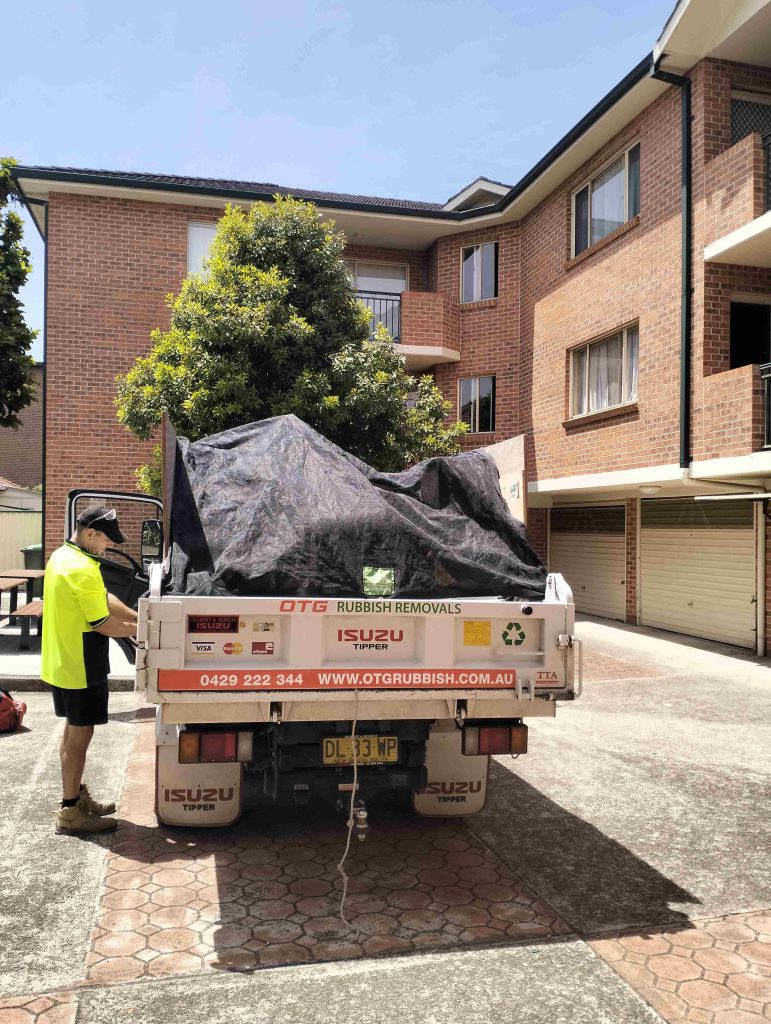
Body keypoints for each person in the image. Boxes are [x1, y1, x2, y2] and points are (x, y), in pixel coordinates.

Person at [41, 506, 138, 835]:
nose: (108, 546)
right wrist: (145, 632)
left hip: (63, 659)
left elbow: (103, 597)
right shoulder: (81, 567)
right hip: (81, 664)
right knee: (80, 737)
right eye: (106, 540)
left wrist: (140, 618)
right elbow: (103, 623)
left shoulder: (61, 557)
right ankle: (70, 812)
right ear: (90, 533)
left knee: (73, 733)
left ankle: (75, 797)